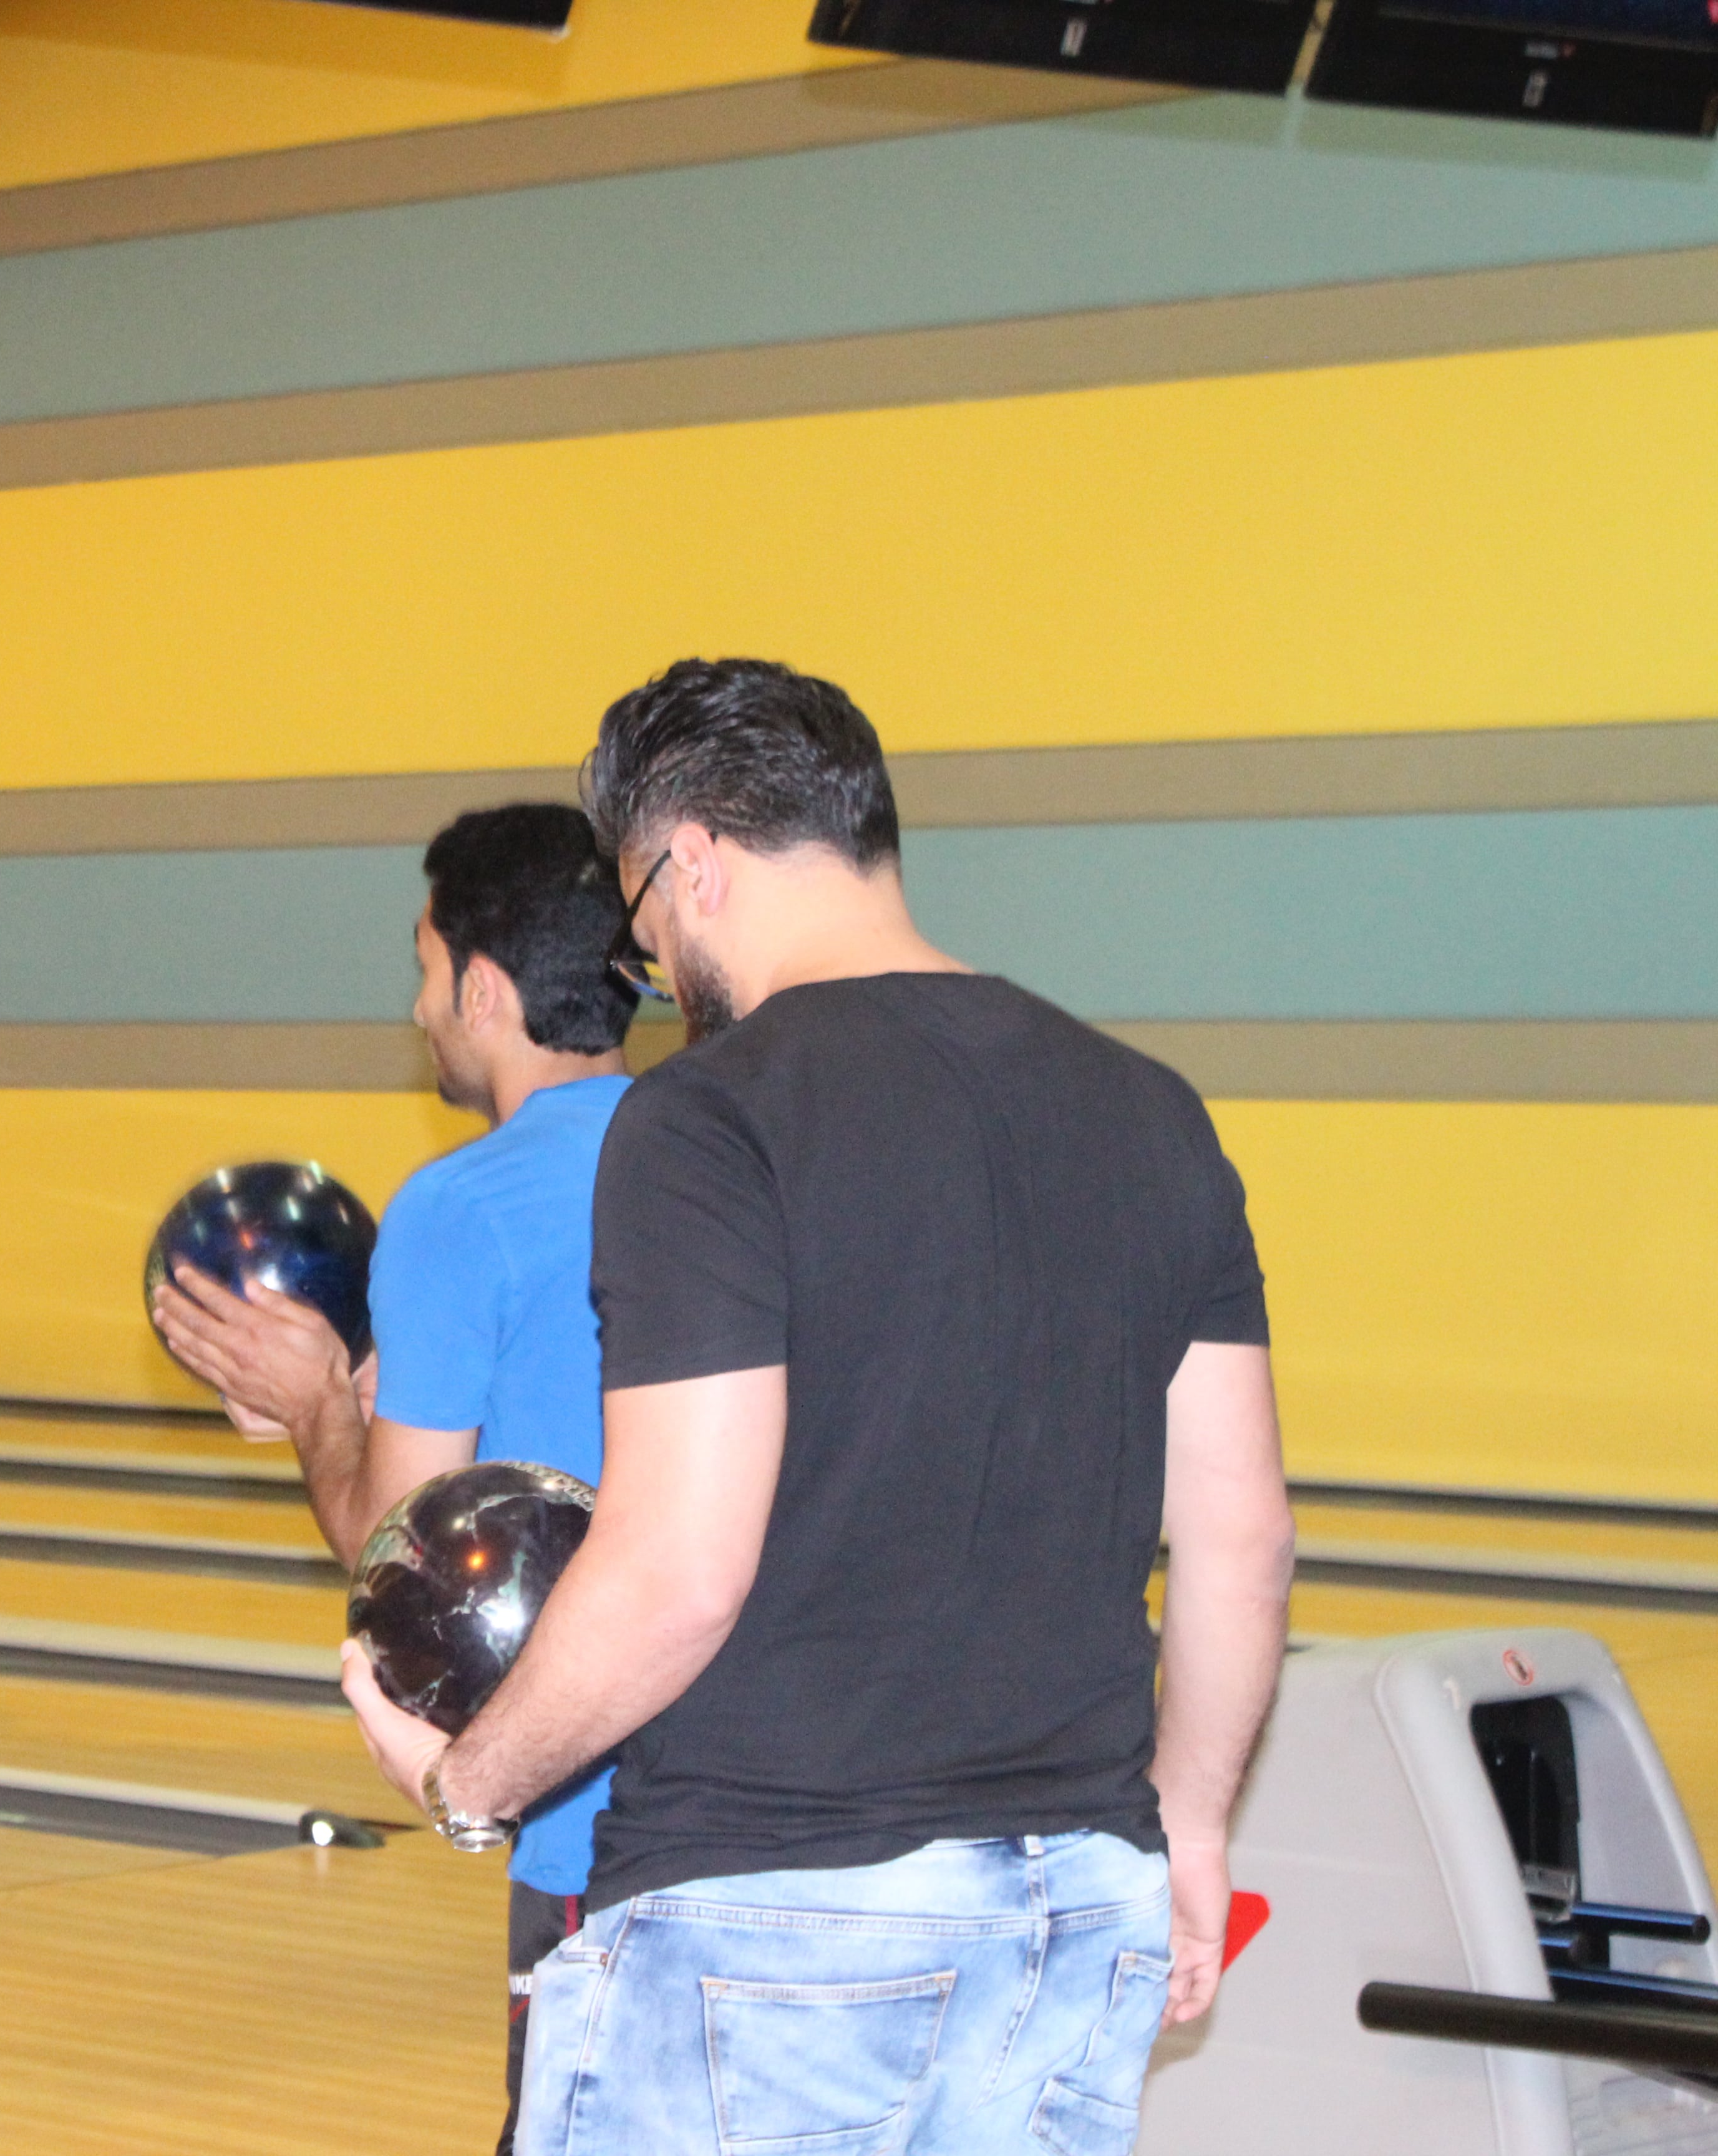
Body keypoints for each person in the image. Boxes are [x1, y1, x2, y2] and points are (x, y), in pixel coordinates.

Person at [337, 660, 1297, 2156]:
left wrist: (473, 1783)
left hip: (773, 1919)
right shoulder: (1148, 1107)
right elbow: (1243, 1543)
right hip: (1074, 1913)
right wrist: (1188, 1828)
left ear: (693, 863)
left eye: (644, 924)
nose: (655, 970)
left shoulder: (708, 1121)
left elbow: (678, 1572)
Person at [150, 802, 641, 2154]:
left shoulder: (461, 1204)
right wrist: (370, 1395)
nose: (419, 1008)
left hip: (599, 1834)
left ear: (483, 989)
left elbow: (400, 1550)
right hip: (786, 1809)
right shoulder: (723, 1145)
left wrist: (319, 1412)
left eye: (426, 970)